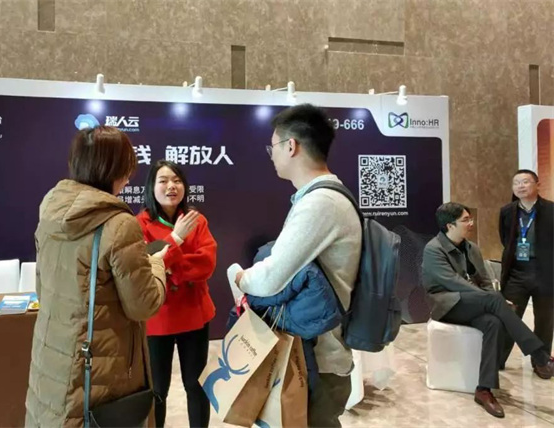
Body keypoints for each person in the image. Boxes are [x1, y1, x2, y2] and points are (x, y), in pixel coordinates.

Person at [24, 126, 168, 428]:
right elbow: (143, 305)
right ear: (114, 169)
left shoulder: (50, 211)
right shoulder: (119, 224)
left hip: (52, 356)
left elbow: (42, 286)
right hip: (99, 364)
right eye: (127, 167)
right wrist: (156, 265)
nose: (129, 177)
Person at [234, 104, 362, 428]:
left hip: (317, 362)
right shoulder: (320, 197)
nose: (272, 155)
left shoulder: (321, 203)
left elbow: (271, 278)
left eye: (273, 147)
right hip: (312, 355)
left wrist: (240, 277)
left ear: (290, 146)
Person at [421, 202, 554, 419]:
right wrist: (493, 299)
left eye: (470, 218)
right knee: (494, 300)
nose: (471, 223)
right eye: (465, 220)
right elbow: (453, 282)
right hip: (446, 304)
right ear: (449, 226)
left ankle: (484, 390)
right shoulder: (433, 249)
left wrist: (493, 297)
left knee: (493, 322)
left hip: (472, 302)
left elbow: (484, 281)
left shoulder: (471, 248)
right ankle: (540, 356)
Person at [136, 160, 217, 428]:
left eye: (177, 180)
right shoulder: (139, 224)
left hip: (194, 314)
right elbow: (146, 266)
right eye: (163, 181)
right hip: (158, 316)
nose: (171, 186)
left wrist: (168, 263)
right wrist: (177, 240)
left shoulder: (197, 220)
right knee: (158, 389)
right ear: (151, 187)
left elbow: (206, 264)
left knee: (196, 385)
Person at [499, 169, 554, 377]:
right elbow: (505, 239)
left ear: (537, 185)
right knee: (509, 317)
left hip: (545, 272)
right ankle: (498, 359)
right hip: (517, 273)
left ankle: (541, 362)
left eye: (525, 182)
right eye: (516, 183)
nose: (520, 186)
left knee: (545, 320)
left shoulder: (551, 209)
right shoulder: (507, 211)